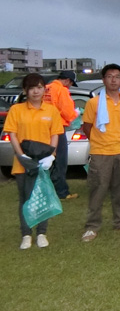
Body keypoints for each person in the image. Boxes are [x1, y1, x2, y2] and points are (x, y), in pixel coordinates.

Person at [81, 64, 120, 242]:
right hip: (100, 152)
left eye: (117, 77)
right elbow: (87, 127)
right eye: (109, 76)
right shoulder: (94, 103)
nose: (113, 80)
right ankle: (92, 227)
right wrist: (100, 143)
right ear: (103, 79)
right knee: (98, 189)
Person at [5, 73, 64, 249]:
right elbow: (12, 134)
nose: (36, 91)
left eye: (39, 87)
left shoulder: (51, 110)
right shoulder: (16, 110)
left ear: (44, 89)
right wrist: (21, 155)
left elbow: (55, 134)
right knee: (25, 198)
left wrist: (51, 156)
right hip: (24, 161)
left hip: (43, 161)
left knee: (42, 197)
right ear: (25, 90)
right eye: (32, 88)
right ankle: (26, 234)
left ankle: (41, 233)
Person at [43, 70, 79, 200]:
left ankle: (45, 191)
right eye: (70, 84)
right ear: (68, 81)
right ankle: (61, 192)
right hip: (56, 128)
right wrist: (76, 114)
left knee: (45, 161)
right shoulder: (61, 90)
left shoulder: (45, 88)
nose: (69, 86)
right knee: (60, 161)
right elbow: (68, 111)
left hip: (42, 128)